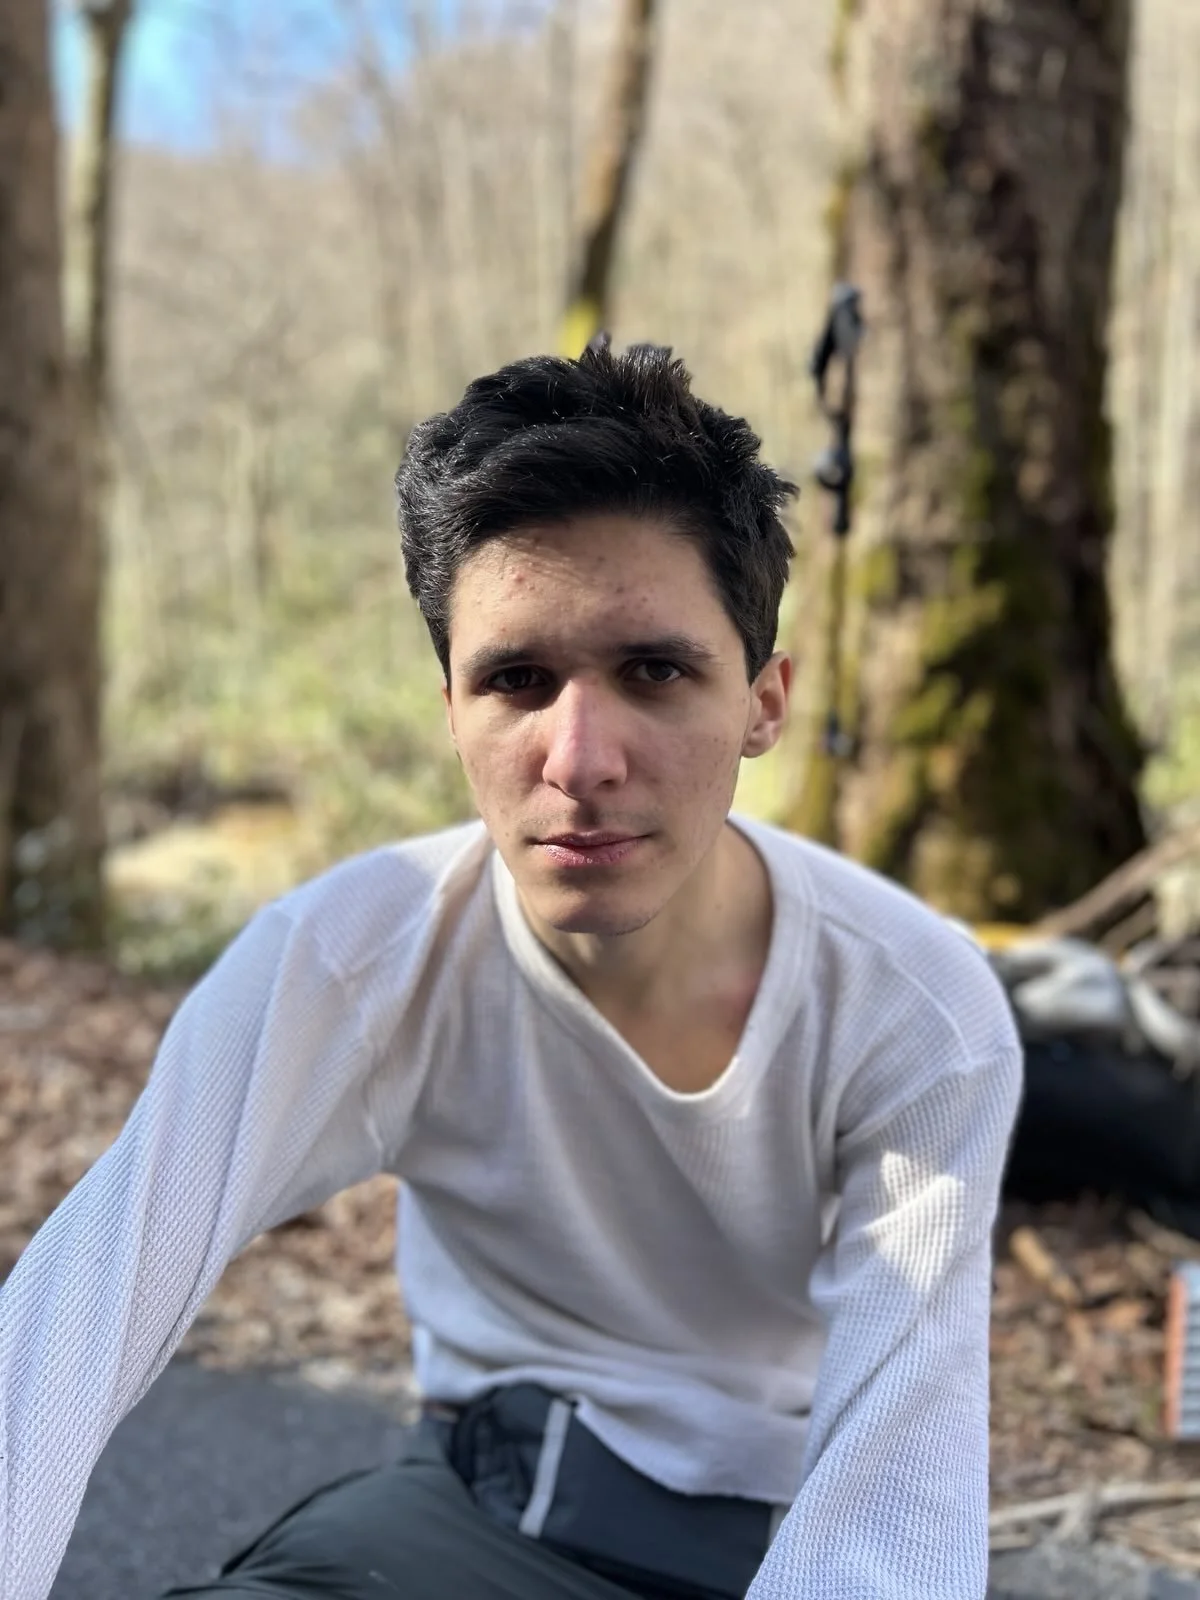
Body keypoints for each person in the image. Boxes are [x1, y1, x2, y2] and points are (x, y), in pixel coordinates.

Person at [0, 339, 1022, 1600]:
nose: (579, 756)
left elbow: (895, 1492)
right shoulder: (359, 957)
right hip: (489, 1510)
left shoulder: (916, 1012)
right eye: (517, 680)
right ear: (450, 709)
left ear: (764, 700)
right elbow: (82, 1306)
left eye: (653, 670)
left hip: (789, 1516)